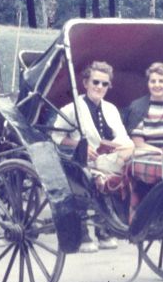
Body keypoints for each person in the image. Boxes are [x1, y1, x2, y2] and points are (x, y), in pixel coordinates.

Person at [52, 61, 133, 252]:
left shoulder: (111, 109)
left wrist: (118, 148)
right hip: (81, 161)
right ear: (86, 83)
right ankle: (83, 231)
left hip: (110, 158)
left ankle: (105, 228)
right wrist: (80, 145)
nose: (100, 87)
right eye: (96, 82)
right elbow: (57, 136)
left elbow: (121, 136)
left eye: (105, 84)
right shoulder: (72, 109)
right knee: (91, 175)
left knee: (133, 152)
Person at [123, 62, 163, 218]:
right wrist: (158, 152)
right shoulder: (138, 107)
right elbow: (138, 142)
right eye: (153, 81)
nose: (157, 85)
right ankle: (148, 209)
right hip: (147, 152)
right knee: (160, 165)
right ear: (148, 84)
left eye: (161, 81)